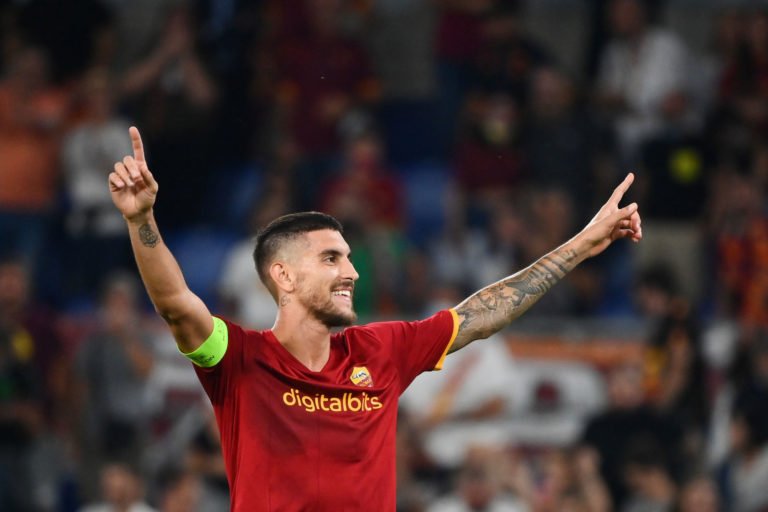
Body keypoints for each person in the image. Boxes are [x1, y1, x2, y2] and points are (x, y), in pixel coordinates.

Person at [107, 126, 642, 510]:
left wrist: (580, 245)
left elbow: (484, 313)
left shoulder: (381, 350)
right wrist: (141, 220)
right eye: (331, 259)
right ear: (284, 277)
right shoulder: (240, 358)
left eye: (349, 257)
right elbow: (175, 303)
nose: (352, 272)